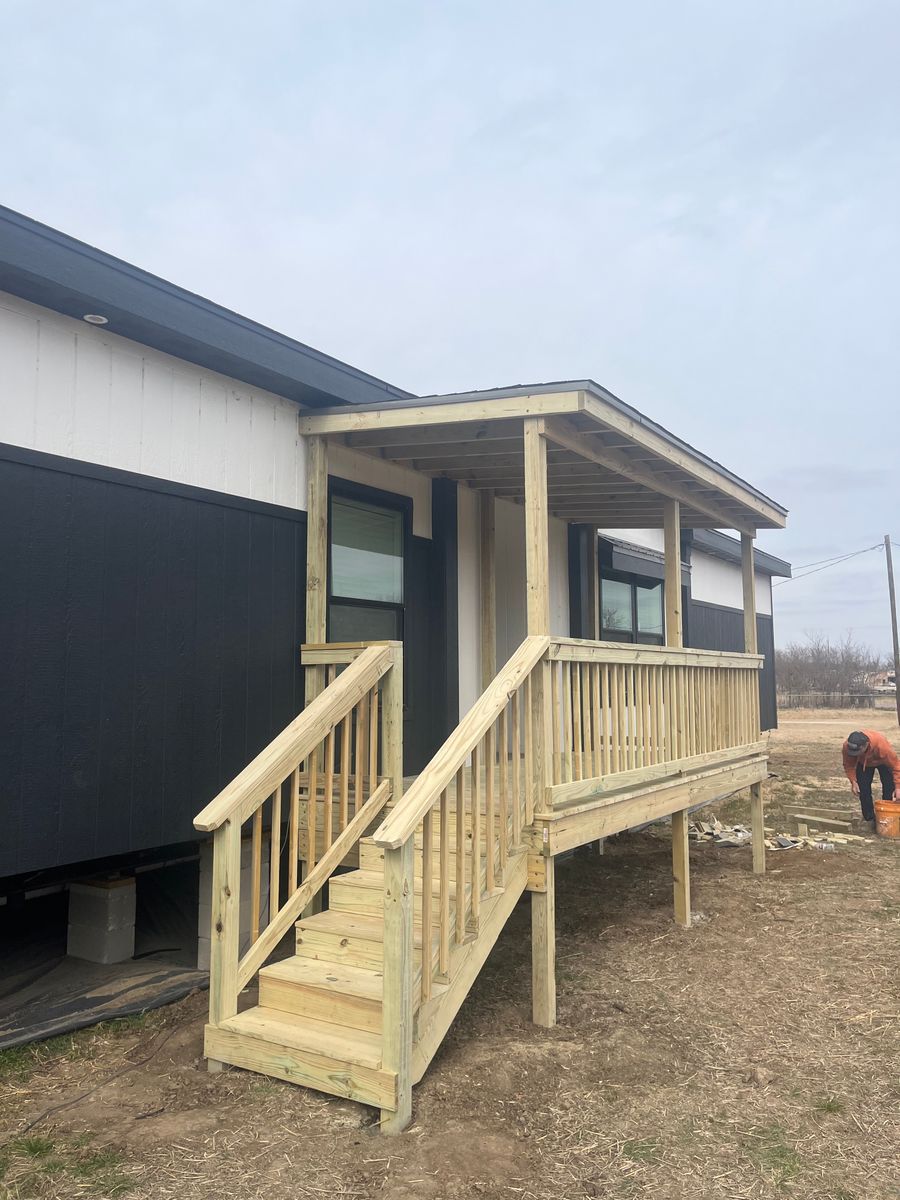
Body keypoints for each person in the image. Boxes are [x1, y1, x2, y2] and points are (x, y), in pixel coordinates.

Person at [842, 730, 900, 830]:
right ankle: (869, 819)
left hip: (883, 762)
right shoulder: (847, 746)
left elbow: (896, 767)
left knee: (889, 789)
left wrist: (898, 787)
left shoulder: (882, 747)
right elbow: (849, 765)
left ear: (866, 745)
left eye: (857, 752)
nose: (854, 754)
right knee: (863, 790)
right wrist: (853, 781)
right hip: (863, 763)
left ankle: (887, 817)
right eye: (853, 752)